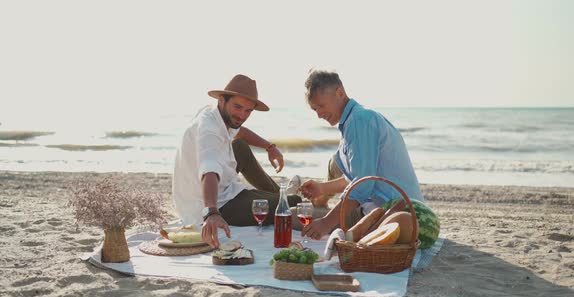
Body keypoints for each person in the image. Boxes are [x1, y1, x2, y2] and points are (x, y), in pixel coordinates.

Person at [173, 74, 301, 248]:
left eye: (248, 110)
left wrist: (270, 147)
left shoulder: (214, 114)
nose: (242, 115)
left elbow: (240, 132)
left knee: (239, 146)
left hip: (220, 189)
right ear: (222, 100)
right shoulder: (209, 131)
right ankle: (284, 197)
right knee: (294, 204)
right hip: (215, 204)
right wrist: (211, 213)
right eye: (237, 107)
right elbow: (209, 170)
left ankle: (280, 194)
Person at [300, 70, 424, 240]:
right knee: (301, 214)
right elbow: (358, 179)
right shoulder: (355, 119)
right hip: (378, 208)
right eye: (315, 109)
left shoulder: (359, 121)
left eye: (321, 106)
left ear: (340, 93)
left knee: (296, 217)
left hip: (398, 215)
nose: (319, 115)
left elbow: (362, 185)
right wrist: (322, 188)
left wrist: (326, 223)